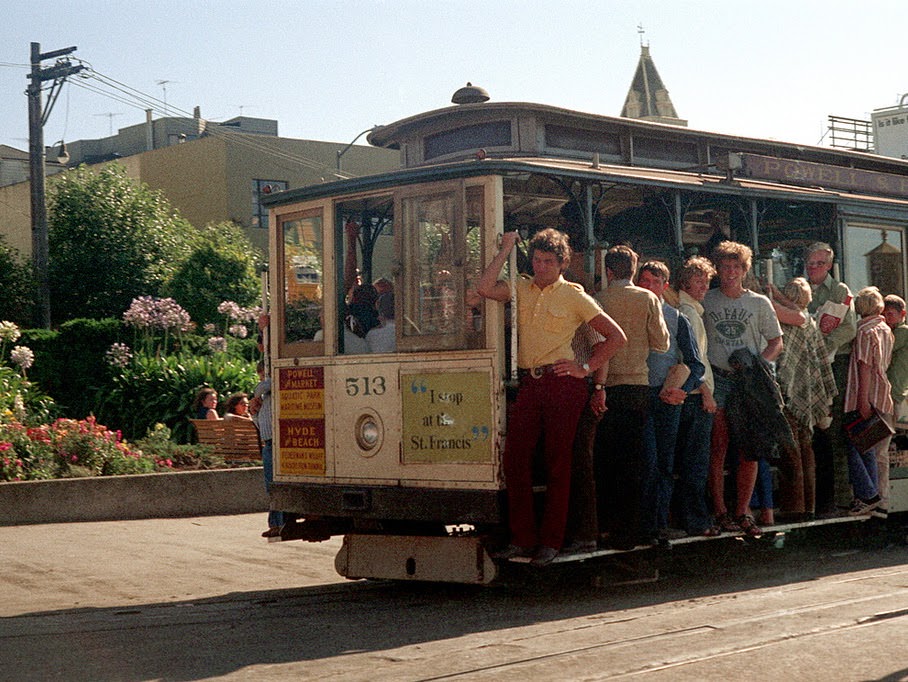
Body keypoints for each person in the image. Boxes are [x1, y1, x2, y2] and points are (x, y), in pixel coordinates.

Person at [476, 229, 626, 566]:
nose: (541, 266)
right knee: (515, 460)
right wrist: (505, 249)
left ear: (561, 263)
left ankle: (551, 542)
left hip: (562, 384)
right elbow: (484, 288)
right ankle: (522, 538)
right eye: (537, 260)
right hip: (531, 383)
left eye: (548, 261)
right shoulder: (522, 287)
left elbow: (616, 336)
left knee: (559, 462)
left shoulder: (574, 295)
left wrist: (585, 368)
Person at [703, 240, 783, 537]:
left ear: (745, 270)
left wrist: (758, 364)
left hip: (748, 381)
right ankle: (721, 510)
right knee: (719, 445)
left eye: (736, 267)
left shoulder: (758, 302)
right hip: (718, 377)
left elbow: (776, 341)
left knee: (748, 448)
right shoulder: (707, 300)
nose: (731, 272)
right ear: (718, 270)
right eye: (725, 267)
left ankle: (743, 511)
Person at [594, 245, 670, 549]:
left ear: (608, 271)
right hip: (638, 385)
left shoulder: (598, 299)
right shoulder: (648, 298)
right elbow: (661, 343)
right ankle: (640, 528)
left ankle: (613, 529)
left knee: (609, 462)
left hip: (607, 386)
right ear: (634, 270)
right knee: (638, 463)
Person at [636, 260, 705, 541]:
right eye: (645, 281)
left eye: (655, 282)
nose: (650, 287)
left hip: (665, 398)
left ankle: (658, 525)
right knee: (644, 462)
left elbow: (696, 365)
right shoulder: (629, 311)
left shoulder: (677, 318)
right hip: (637, 395)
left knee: (663, 463)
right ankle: (641, 525)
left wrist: (684, 390)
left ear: (665, 287)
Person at [767, 277, 837, 521]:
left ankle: (794, 506)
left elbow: (777, 310)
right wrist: (777, 292)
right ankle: (810, 505)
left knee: (792, 447)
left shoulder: (791, 320)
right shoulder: (810, 319)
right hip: (807, 392)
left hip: (789, 391)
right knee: (806, 446)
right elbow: (793, 307)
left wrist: (769, 294)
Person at [805, 242, 857, 515]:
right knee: (813, 432)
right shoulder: (801, 288)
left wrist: (822, 347)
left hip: (835, 365)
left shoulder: (838, 291)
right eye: (810, 263)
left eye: (818, 264)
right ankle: (818, 499)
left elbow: (848, 329)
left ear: (828, 265)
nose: (813, 268)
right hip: (809, 367)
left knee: (833, 430)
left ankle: (840, 499)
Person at [674, 256, 720, 537]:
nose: (704, 285)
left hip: (692, 393)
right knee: (695, 462)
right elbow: (692, 359)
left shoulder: (691, 309)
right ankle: (697, 521)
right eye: (698, 280)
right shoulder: (688, 313)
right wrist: (705, 393)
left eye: (706, 280)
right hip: (695, 395)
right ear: (685, 281)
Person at [845, 287, 894, 516]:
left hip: (867, 395)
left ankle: (868, 494)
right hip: (883, 393)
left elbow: (864, 367)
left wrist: (862, 401)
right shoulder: (885, 328)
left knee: (856, 444)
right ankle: (876, 498)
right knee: (872, 447)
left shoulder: (864, 331)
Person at [249, 360, 286, 537]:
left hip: (276, 442)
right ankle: (276, 523)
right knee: (270, 486)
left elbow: (262, 387)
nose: (261, 380)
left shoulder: (272, 387)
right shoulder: (266, 397)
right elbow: (259, 423)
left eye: (263, 375)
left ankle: (279, 523)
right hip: (268, 442)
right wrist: (255, 412)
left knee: (275, 484)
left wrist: (258, 392)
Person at [883, 294, 908, 426]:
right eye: (883, 315)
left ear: (902, 313)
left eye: (890, 314)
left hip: (894, 388)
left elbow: (886, 348)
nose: (886, 319)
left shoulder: (902, 331)